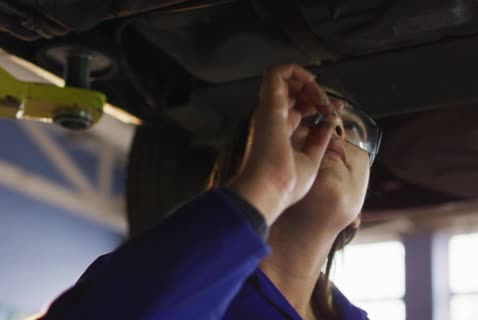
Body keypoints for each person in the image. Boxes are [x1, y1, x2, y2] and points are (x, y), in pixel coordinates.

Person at [38, 64, 382, 320]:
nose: (334, 126)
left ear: (357, 219)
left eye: (352, 128)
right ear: (239, 172)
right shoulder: (178, 282)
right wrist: (266, 186)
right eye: (308, 118)